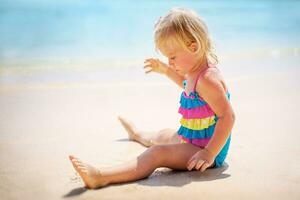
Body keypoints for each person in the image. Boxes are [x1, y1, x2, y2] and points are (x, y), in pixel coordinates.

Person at [69, 7, 235, 189]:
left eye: (172, 57)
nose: (170, 62)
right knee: (163, 134)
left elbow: (228, 117)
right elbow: (186, 85)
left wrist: (209, 153)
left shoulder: (208, 79)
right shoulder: (195, 72)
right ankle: (136, 134)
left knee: (157, 153)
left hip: (206, 151)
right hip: (192, 140)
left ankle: (101, 176)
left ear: (193, 47)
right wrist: (166, 70)